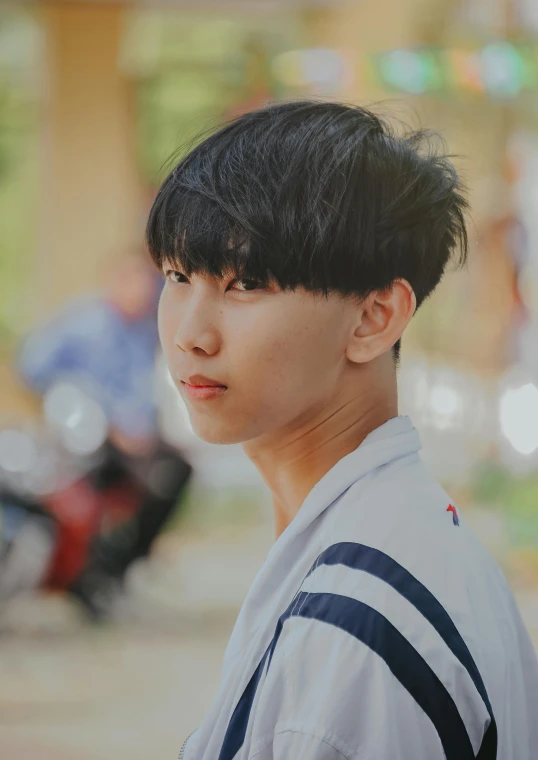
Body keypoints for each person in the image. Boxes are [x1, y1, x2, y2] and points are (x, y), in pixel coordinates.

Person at [146, 101, 538, 759]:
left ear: (374, 317)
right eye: (178, 276)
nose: (190, 334)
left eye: (244, 284)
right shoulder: (396, 540)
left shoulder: (356, 628)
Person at [17, 250, 193, 619]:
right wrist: (103, 416)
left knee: (176, 469)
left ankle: (119, 566)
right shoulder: (83, 322)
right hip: (92, 436)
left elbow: (146, 393)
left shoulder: (147, 330)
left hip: (137, 436)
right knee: (96, 474)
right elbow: (32, 365)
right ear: (114, 283)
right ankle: (87, 576)